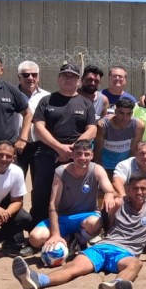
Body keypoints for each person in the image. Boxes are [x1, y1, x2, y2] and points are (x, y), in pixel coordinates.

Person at [12, 174, 146, 289]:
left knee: (136, 263)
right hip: (102, 247)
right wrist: (109, 198)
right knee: (73, 268)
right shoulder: (120, 202)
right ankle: (38, 280)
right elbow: (107, 198)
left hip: (125, 253)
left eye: (143, 189)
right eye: (135, 188)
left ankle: (117, 284)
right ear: (129, 190)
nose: (139, 192)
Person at [30, 64, 99, 227]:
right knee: (42, 195)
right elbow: (39, 128)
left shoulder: (85, 103)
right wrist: (59, 147)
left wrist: (73, 150)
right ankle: (37, 235)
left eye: (73, 77)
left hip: (76, 158)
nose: (68, 79)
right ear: (58, 79)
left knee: (74, 196)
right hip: (47, 156)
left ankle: (74, 233)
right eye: (65, 76)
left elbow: (92, 129)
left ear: (78, 81)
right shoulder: (46, 101)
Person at [27, 139, 119, 254]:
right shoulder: (61, 171)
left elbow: (110, 190)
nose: (83, 158)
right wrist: (55, 234)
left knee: (94, 223)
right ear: (72, 155)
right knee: (35, 238)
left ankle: (80, 241)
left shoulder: (96, 169)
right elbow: (53, 204)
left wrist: (109, 194)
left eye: (87, 154)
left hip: (87, 216)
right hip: (63, 217)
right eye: (79, 154)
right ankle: (69, 238)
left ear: (92, 155)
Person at [13, 60, 48, 182]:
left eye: (34, 75)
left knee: (40, 184)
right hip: (16, 145)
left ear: (38, 77)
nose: (30, 78)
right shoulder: (11, 95)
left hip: (40, 146)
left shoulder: (47, 97)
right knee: (14, 183)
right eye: (26, 75)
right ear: (19, 77)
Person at [94, 94, 144, 173]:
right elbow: (97, 151)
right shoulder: (103, 125)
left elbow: (133, 151)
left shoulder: (139, 126)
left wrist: (129, 170)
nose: (125, 118)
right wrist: (100, 171)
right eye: (121, 113)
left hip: (125, 166)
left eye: (128, 114)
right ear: (116, 111)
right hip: (105, 165)